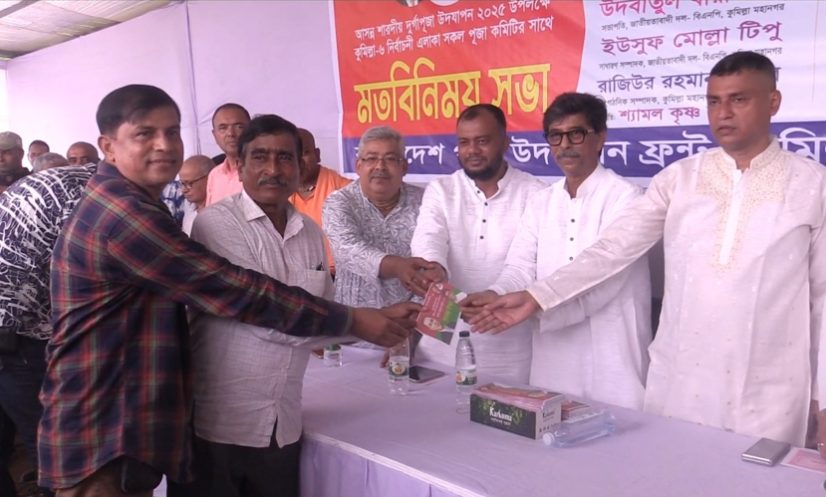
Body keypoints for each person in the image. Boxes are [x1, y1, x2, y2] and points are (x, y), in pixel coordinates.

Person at [39, 84, 416, 496]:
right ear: (108, 147)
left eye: (173, 131)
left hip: (159, 419)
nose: (164, 145)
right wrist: (356, 322)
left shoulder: (306, 230)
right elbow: (242, 295)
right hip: (106, 424)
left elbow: (302, 304)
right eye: (145, 133)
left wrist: (367, 323)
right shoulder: (130, 215)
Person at [473, 51, 826, 447]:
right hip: (683, 381)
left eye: (738, 99)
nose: (723, 113)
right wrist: (538, 295)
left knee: (761, 477)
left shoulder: (813, 185)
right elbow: (613, 249)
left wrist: (824, 401)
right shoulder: (678, 180)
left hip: (770, 390)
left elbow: (823, 301)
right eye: (714, 101)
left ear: (773, 102)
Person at [185, 114, 348, 497]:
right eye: (260, 157)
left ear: (301, 165)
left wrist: (383, 326)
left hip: (282, 421)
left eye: (285, 157)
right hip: (220, 427)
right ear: (240, 167)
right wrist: (362, 323)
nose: (273, 170)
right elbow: (266, 317)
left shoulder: (310, 232)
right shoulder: (216, 225)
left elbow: (321, 310)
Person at [465, 93, 652, 409]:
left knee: (617, 434)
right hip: (553, 356)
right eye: (556, 136)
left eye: (576, 134)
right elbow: (521, 267)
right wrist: (496, 294)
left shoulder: (627, 198)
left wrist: (535, 302)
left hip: (611, 353)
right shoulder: (542, 201)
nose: (565, 145)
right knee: (551, 426)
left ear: (600, 138)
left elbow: (604, 273)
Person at [410, 104, 546, 384]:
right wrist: (433, 267)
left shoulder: (536, 193)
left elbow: (524, 265)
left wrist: (495, 294)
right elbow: (429, 236)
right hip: (440, 342)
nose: (472, 150)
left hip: (507, 346)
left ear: (505, 142)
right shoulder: (442, 189)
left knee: (502, 409)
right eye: (464, 142)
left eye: (482, 141)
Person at [0, 163, 97, 497]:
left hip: (24, 339)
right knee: (49, 446)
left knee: (45, 443)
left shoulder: (72, 191)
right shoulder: (78, 193)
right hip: (21, 342)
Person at [323, 126, 427, 308]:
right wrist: (397, 266)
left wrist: (416, 313)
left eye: (390, 159)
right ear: (358, 166)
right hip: (355, 316)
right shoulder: (339, 202)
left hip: (413, 313)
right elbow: (348, 250)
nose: (380, 166)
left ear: (404, 167)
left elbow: (432, 255)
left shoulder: (425, 202)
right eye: (371, 158)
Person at [291, 128, 351, 272]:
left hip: (339, 275)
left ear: (317, 155)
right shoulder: (278, 194)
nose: (298, 162)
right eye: (291, 155)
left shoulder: (346, 190)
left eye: (304, 153)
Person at [204, 103, 251, 205]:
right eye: (223, 128)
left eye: (239, 127)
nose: (231, 134)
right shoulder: (214, 175)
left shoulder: (258, 171)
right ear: (214, 135)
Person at [179, 155, 215, 235]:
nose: (183, 190)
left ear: (209, 177)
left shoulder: (220, 212)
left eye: (189, 183)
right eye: (182, 183)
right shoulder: (189, 209)